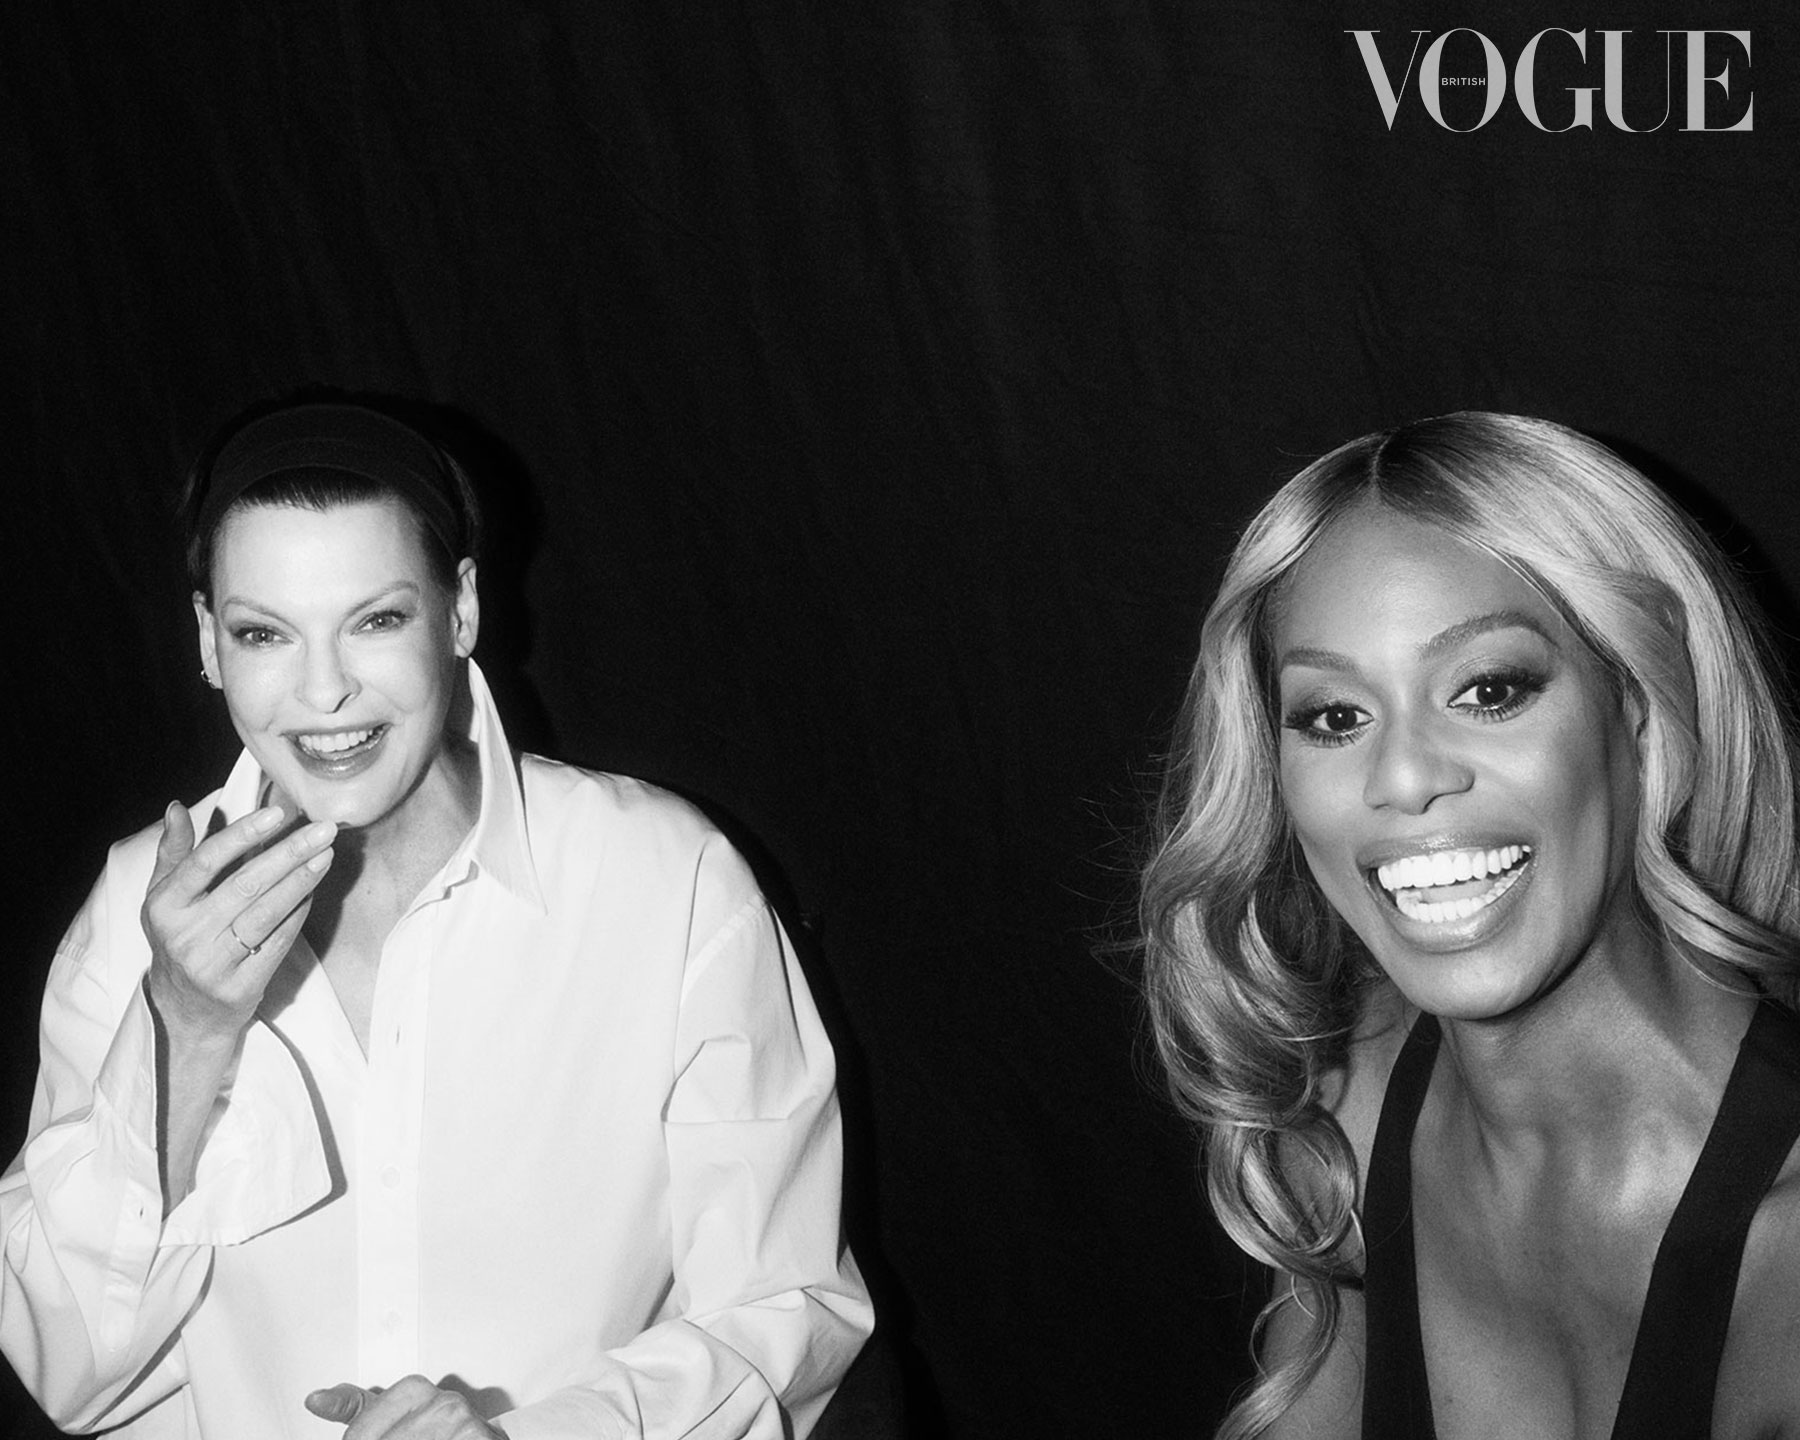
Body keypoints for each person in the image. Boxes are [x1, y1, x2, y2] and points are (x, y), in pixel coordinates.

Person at [0, 396, 872, 1439]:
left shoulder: (666, 883)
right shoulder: (133, 912)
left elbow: (786, 1310)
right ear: (207, 640)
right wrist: (184, 1029)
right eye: (264, 633)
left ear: (459, 611)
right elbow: (61, 1373)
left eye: (376, 620)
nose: (323, 692)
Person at [1141, 412, 1800, 1439]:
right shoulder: (1349, 1119)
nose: (1403, 779)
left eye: (1488, 690)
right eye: (1334, 717)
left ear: (1641, 704)